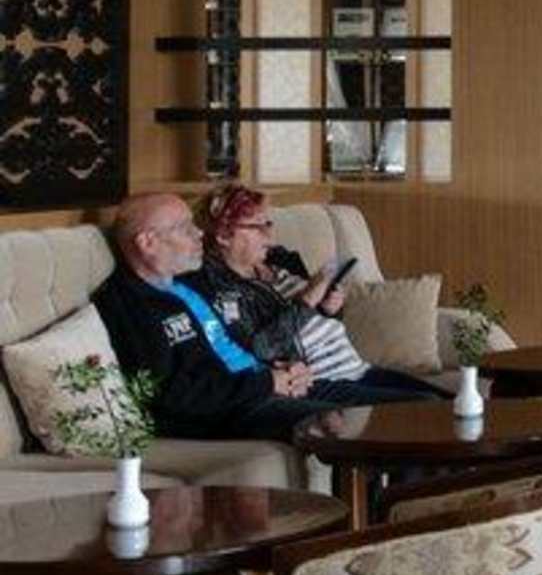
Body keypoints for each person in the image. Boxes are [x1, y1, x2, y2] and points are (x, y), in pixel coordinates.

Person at [91, 194, 356, 442]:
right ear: (148, 243)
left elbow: (238, 346)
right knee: (332, 424)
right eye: (185, 228)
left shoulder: (185, 287)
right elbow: (167, 395)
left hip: (253, 388)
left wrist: (284, 370)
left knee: (364, 409)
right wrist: (266, 383)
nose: (199, 233)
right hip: (222, 414)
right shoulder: (129, 306)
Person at [192, 186, 439, 404]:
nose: (269, 235)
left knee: (449, 403)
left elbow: (310, 322)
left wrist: (328, 309)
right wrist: (308, 299)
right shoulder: (220, 289)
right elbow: (263, 349)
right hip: (323, 381)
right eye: (257, 227)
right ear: (223, 236)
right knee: (426, 406)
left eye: (268, 224)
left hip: (357, 368)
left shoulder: (280, 261)